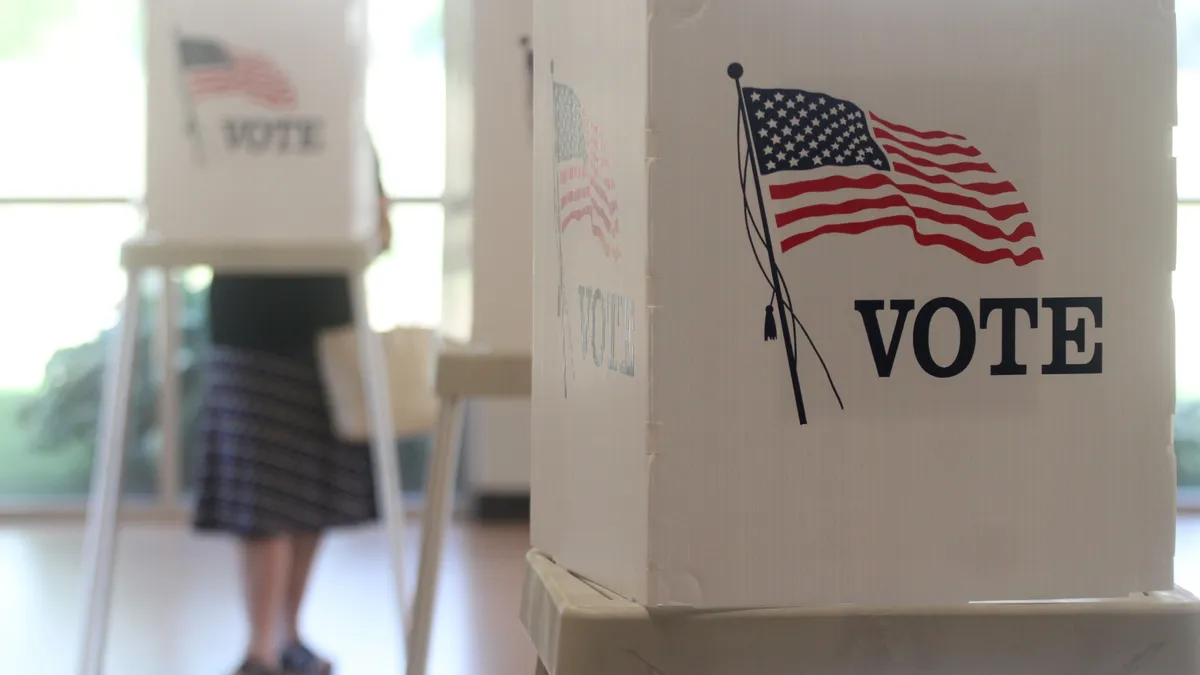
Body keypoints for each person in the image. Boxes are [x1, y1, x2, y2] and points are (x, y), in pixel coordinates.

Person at [193, 146, 392, 675]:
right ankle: (263, 647)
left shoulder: (341, 123)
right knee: (269, 500)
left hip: (321, 332)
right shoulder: (232, 129)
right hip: (252, 331)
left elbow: (380, 229)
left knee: (307, 497)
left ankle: (283, 639)